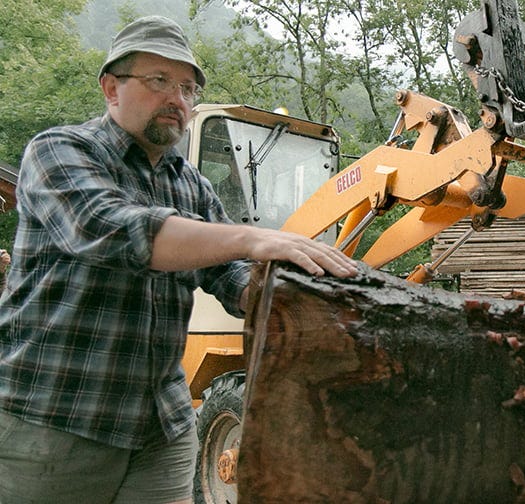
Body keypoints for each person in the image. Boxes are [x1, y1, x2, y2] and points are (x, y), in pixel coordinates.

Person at [0, 16, 357, 504]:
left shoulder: (194, 186)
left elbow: (230, 276)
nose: (178, 99)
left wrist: (304, 296)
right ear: (111, 88)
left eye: (187, 88)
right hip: (57, 419)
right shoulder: (58, 151)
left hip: (161, 429)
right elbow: (111, 229)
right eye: (159, 81)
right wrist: (253, 239)